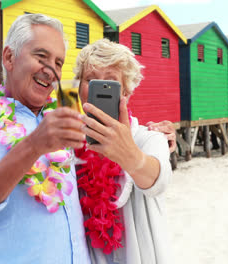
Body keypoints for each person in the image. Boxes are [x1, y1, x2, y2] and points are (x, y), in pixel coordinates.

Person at [0, 14, 90, 263]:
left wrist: (152, 133)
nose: (51, 70)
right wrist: (34, 145)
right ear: (9, 57)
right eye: (41, 57)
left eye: (58, 62)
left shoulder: (63, 119)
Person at [74, 39, 172, 264]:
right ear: (79, 88)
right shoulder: (69, 149)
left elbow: (158, 180)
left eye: (110, 81)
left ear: (126, 90)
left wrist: (129, 155)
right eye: (90, 79)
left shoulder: (149, 138)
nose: (100, 86)